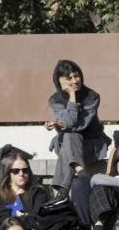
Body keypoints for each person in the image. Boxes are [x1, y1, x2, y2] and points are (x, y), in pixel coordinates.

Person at [45, 59, 110, 194]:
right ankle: (81, 172)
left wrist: (61, 124)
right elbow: (69, 123)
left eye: (77, 76)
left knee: (70, 134)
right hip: (66, 145)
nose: (75, 81)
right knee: (69, 136)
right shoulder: (55, 100)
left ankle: (61, 192)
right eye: (69, 78)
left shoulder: (92, 97)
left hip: (91, 146)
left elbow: (77, 124)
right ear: (59, 80)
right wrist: (72, 97)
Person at [0, 152, 51, 226]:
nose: (21, 174)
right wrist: (15, 213)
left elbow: (38, 217)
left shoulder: (38, 192)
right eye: (16, 171)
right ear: (9, 172)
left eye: (25, 170)